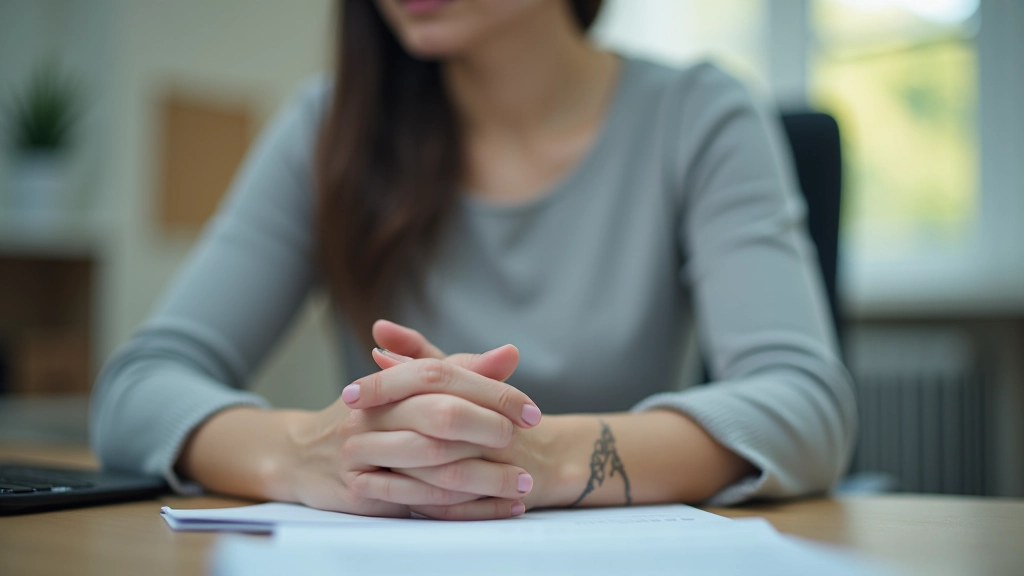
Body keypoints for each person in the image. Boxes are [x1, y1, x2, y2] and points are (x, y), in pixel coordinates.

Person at [90, 0, 856, 521]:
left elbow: (805, 406)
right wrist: (305, 456)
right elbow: (136, 387)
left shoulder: (699, 115)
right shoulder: (327, 129)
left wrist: (537, 458)